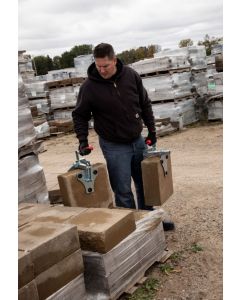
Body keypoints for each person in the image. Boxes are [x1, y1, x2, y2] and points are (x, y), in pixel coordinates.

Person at [72, 43, 174, 230]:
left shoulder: (131, 75)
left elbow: (144, 104)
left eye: (106, 66)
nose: (101, 70)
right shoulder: (89, 87)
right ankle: (132, 228)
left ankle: (149, 220)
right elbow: (79, 115)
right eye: (98, 66)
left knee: (145, 184)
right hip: (114, 146)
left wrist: (151, 131)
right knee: (123, 190)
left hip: (137, 140)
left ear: (115, 60)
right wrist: (83, 140)